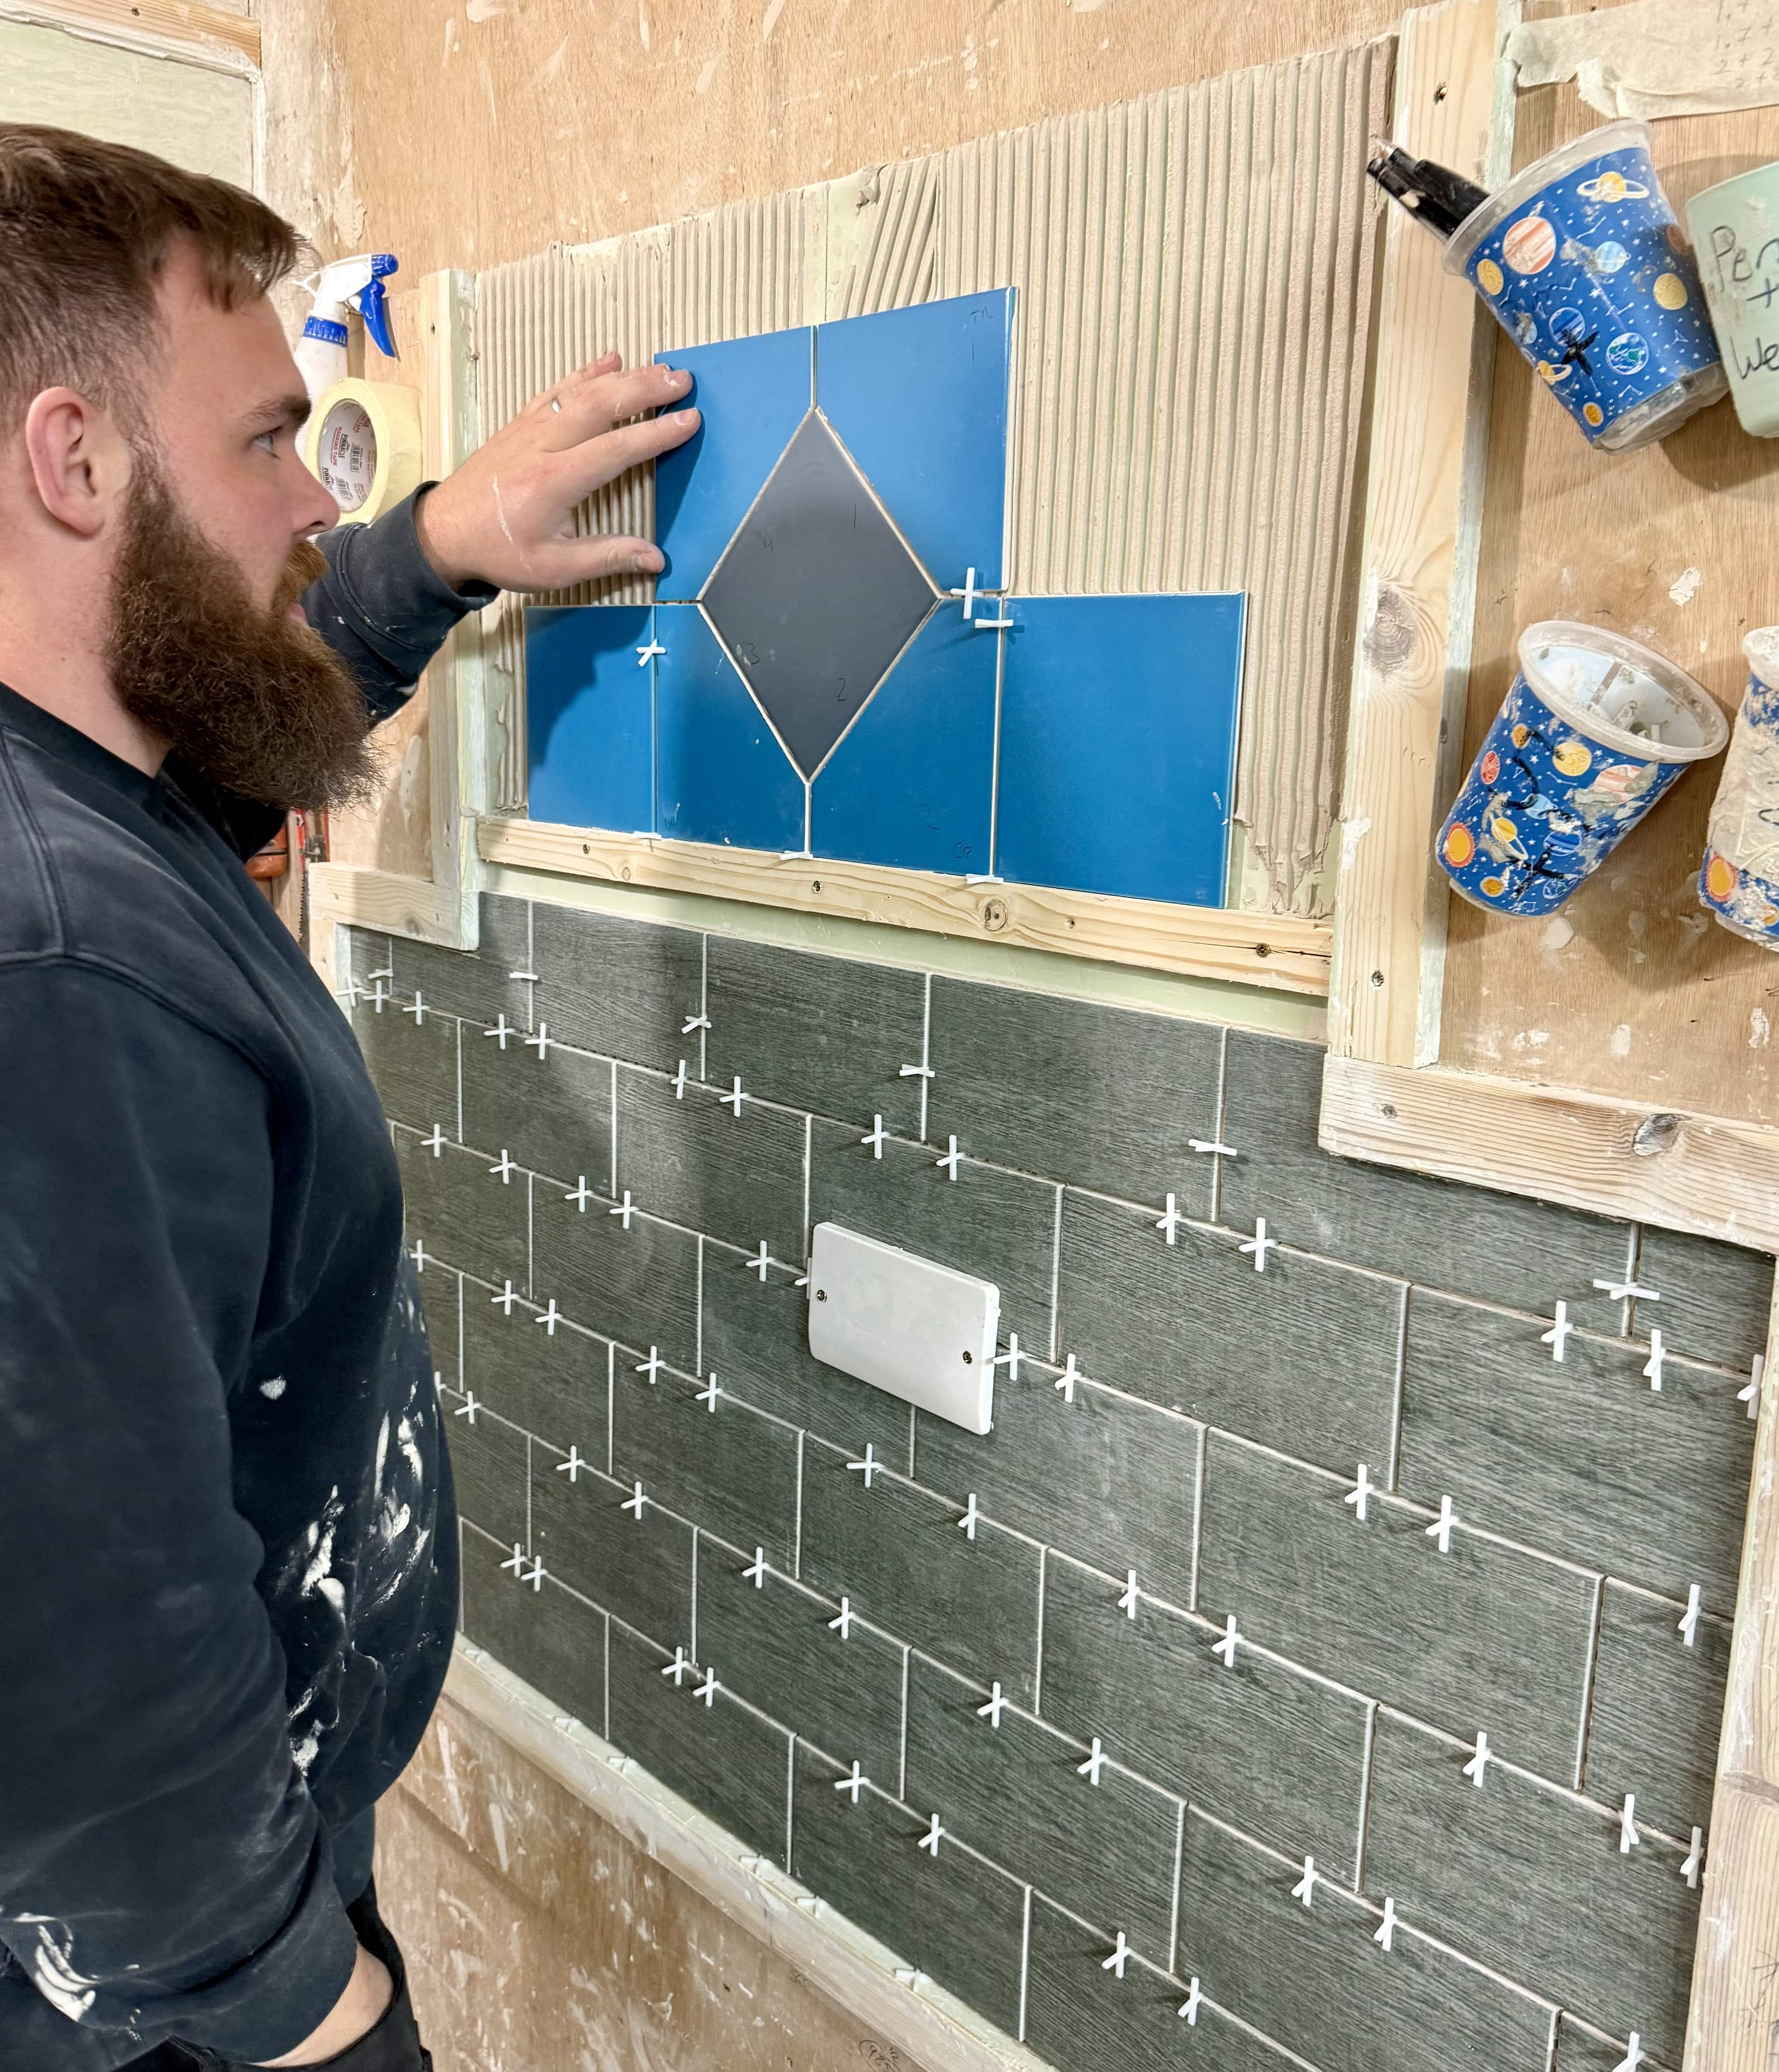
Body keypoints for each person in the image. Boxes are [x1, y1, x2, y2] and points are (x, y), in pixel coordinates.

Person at [0, 125, 698, 2070]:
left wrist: (426, 559)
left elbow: (183, 785)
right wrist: (317, 2019)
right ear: (74, 462)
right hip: (161, 1998)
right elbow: (91, 1658)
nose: (316, 493)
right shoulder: (48, 971)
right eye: (261, 443)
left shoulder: (70, 814)